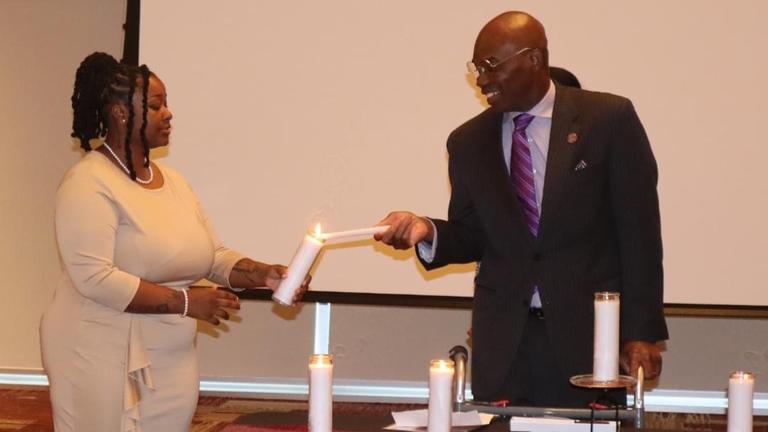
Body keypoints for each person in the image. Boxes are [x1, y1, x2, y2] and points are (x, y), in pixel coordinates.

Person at [375, 11, 668, 407]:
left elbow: (640, 234)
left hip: (590, 343)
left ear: (534, 59)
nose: (481, 80)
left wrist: (642, 332)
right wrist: (426, 230)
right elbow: (472, 234)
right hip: (504, 346)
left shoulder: (608, 121)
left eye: (491, 66)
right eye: (477, 68)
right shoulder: (467, 142)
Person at [40, 52, 309, 431]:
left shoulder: (174, 182)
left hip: (171, 356)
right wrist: (186, 301)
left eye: (166, 104)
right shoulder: (88, 182)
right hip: (98, 351)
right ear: (119, 113)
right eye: (155, 105)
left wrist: (264, 275)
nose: (168, 114)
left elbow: (210, 255)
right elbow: (94, 277)